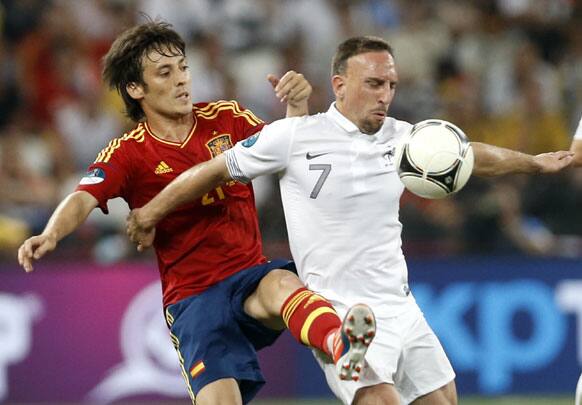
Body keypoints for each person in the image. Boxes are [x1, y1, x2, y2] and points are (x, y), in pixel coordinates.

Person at [125, 36, 574, 405]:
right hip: (342, 313)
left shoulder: (404, 139)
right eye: (375, 83)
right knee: (380, 400)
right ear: (339, 84)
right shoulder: (293, 137)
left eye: (392, 85)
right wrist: (152, 211)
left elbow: (470, 155)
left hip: (401, 306)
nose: (385, 95)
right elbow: (212, 171)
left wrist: (534, 163)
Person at [16, 21, 376, 405]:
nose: (182, 81)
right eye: (165, 73)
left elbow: (288, 151)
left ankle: (340, 343)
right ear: (136, 89)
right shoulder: (128, 152)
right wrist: (51, 234)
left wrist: (297, 106)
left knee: (284, 286)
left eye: (183, 68)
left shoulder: (227, 118)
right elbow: (82, 197)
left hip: (248, 274)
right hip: (194, 301)